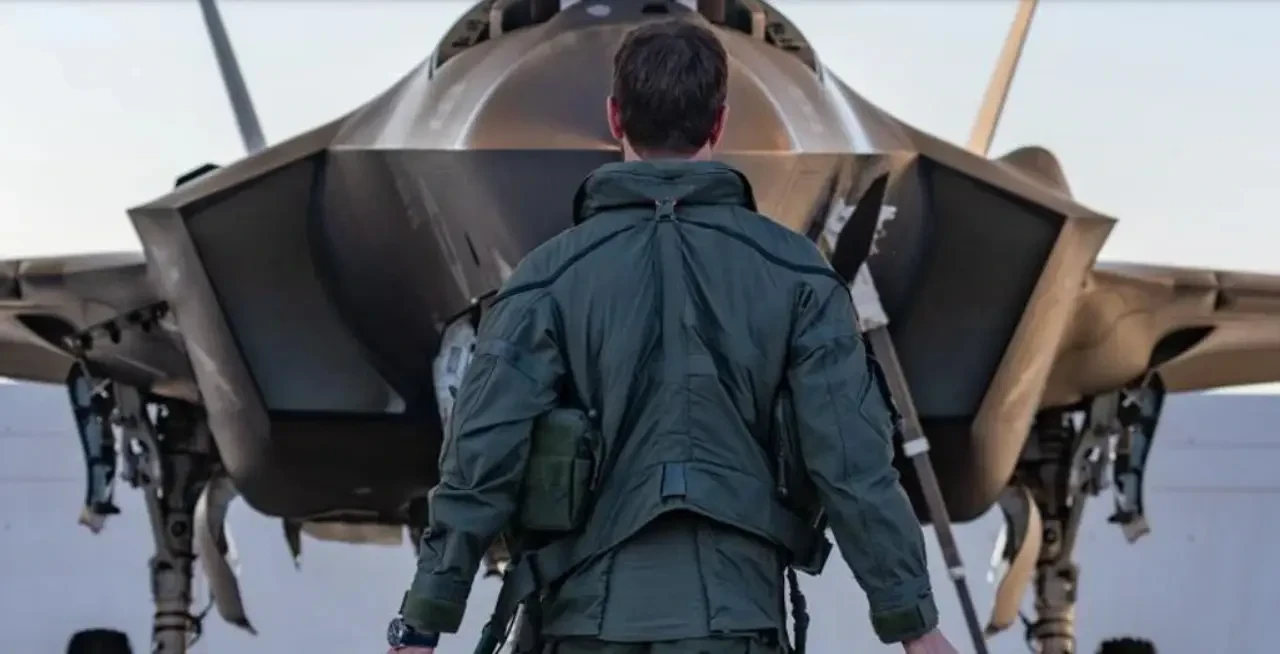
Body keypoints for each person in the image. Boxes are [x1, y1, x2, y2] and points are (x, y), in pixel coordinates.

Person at [386, 16, 959, 654]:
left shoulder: (545, 280)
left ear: (614, 118)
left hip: (582, 626)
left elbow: (480, 460)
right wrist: (914, 626)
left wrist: (425, 620)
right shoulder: (798, 276)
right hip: (735, 626)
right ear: (720, 123)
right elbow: (852, 463)